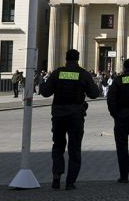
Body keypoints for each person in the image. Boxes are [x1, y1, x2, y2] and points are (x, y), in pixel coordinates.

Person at [38, 49, 102, 190]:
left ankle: (57, 174)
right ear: (78, 59)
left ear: (65, 58)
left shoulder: (57, 73)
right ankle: (70, 182)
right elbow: (94, 94)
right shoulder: (83, 74)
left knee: (58, 145)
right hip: (75, 115)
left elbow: (45, 92)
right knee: (74, 148)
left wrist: (41, 83)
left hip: (59, 114)